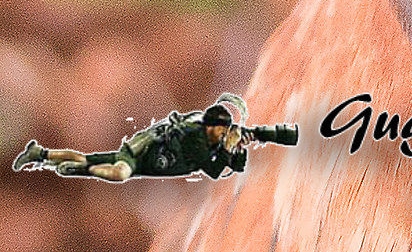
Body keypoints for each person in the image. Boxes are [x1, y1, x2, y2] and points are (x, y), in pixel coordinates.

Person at [14, 96, 297, 181]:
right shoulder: (195, 139)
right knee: (118, 173)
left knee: (90, 157)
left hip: (141, 155)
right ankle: (77, 170)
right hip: (138, 158)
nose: (225, 133)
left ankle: (41, 154)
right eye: (222, 129)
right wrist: (227, 148)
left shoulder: (207, 137)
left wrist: (239, 147)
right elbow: (212, 170)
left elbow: (235, 167)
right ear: (211, 127)